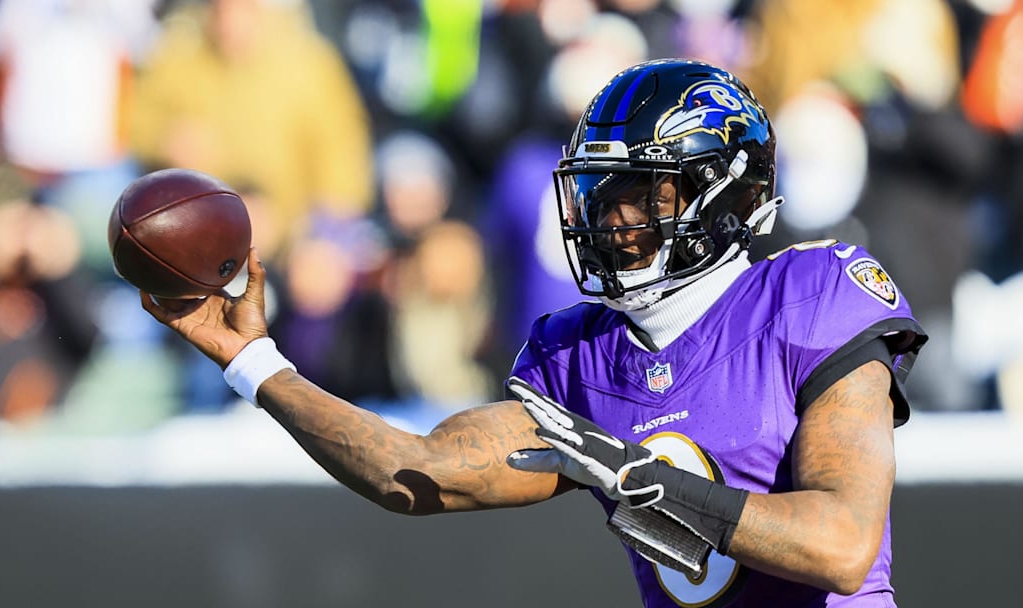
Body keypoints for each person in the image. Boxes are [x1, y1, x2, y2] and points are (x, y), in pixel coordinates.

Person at [140, 59, 928, 607]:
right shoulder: (580, 353)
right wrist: (254, 361)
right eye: (600, 194)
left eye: (641, 192)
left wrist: (637, 477)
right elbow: (417, 473)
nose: (610, 219)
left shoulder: (811, 292)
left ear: (726, 195)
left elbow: (842, 544)